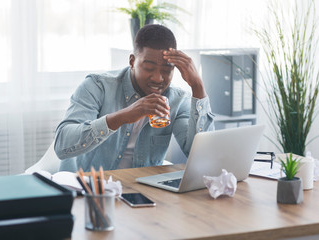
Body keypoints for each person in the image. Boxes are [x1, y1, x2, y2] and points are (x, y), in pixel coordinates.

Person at [54, 24, 214, 172]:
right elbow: (62, 145)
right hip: (89, 189)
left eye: (167, 70)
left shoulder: (177, 100)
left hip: (142, 192)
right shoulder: (98, 86)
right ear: (132, 61)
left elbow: (203, 156)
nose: (158, 78)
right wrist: (122, 117)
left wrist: (197, 86)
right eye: (149, 68)